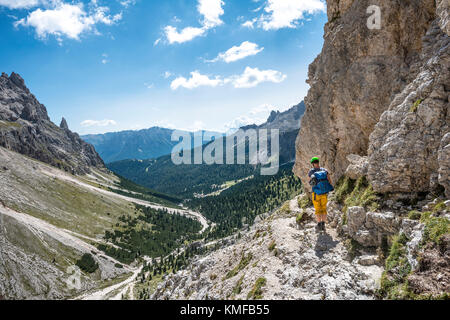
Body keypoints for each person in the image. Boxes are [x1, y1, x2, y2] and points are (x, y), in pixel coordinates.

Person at [308, 157, 333, 231]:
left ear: (312, 164)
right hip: (324, 193)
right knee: (324, 209)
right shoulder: (324, 170)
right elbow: (329, 181)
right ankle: (323, 224)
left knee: (318, 209)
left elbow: (310, 182)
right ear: (318, 162)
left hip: (316, 194)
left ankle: (319, 225)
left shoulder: (311, 172)